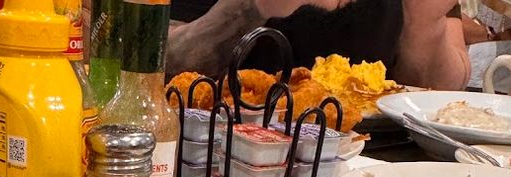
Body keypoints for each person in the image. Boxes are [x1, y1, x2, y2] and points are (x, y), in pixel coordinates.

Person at [166, 0, 471, 90]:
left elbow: (446, 91)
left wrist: (425, 25)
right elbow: (156, 63)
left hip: (375, 174)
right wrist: (254, 6)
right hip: (226, 163)